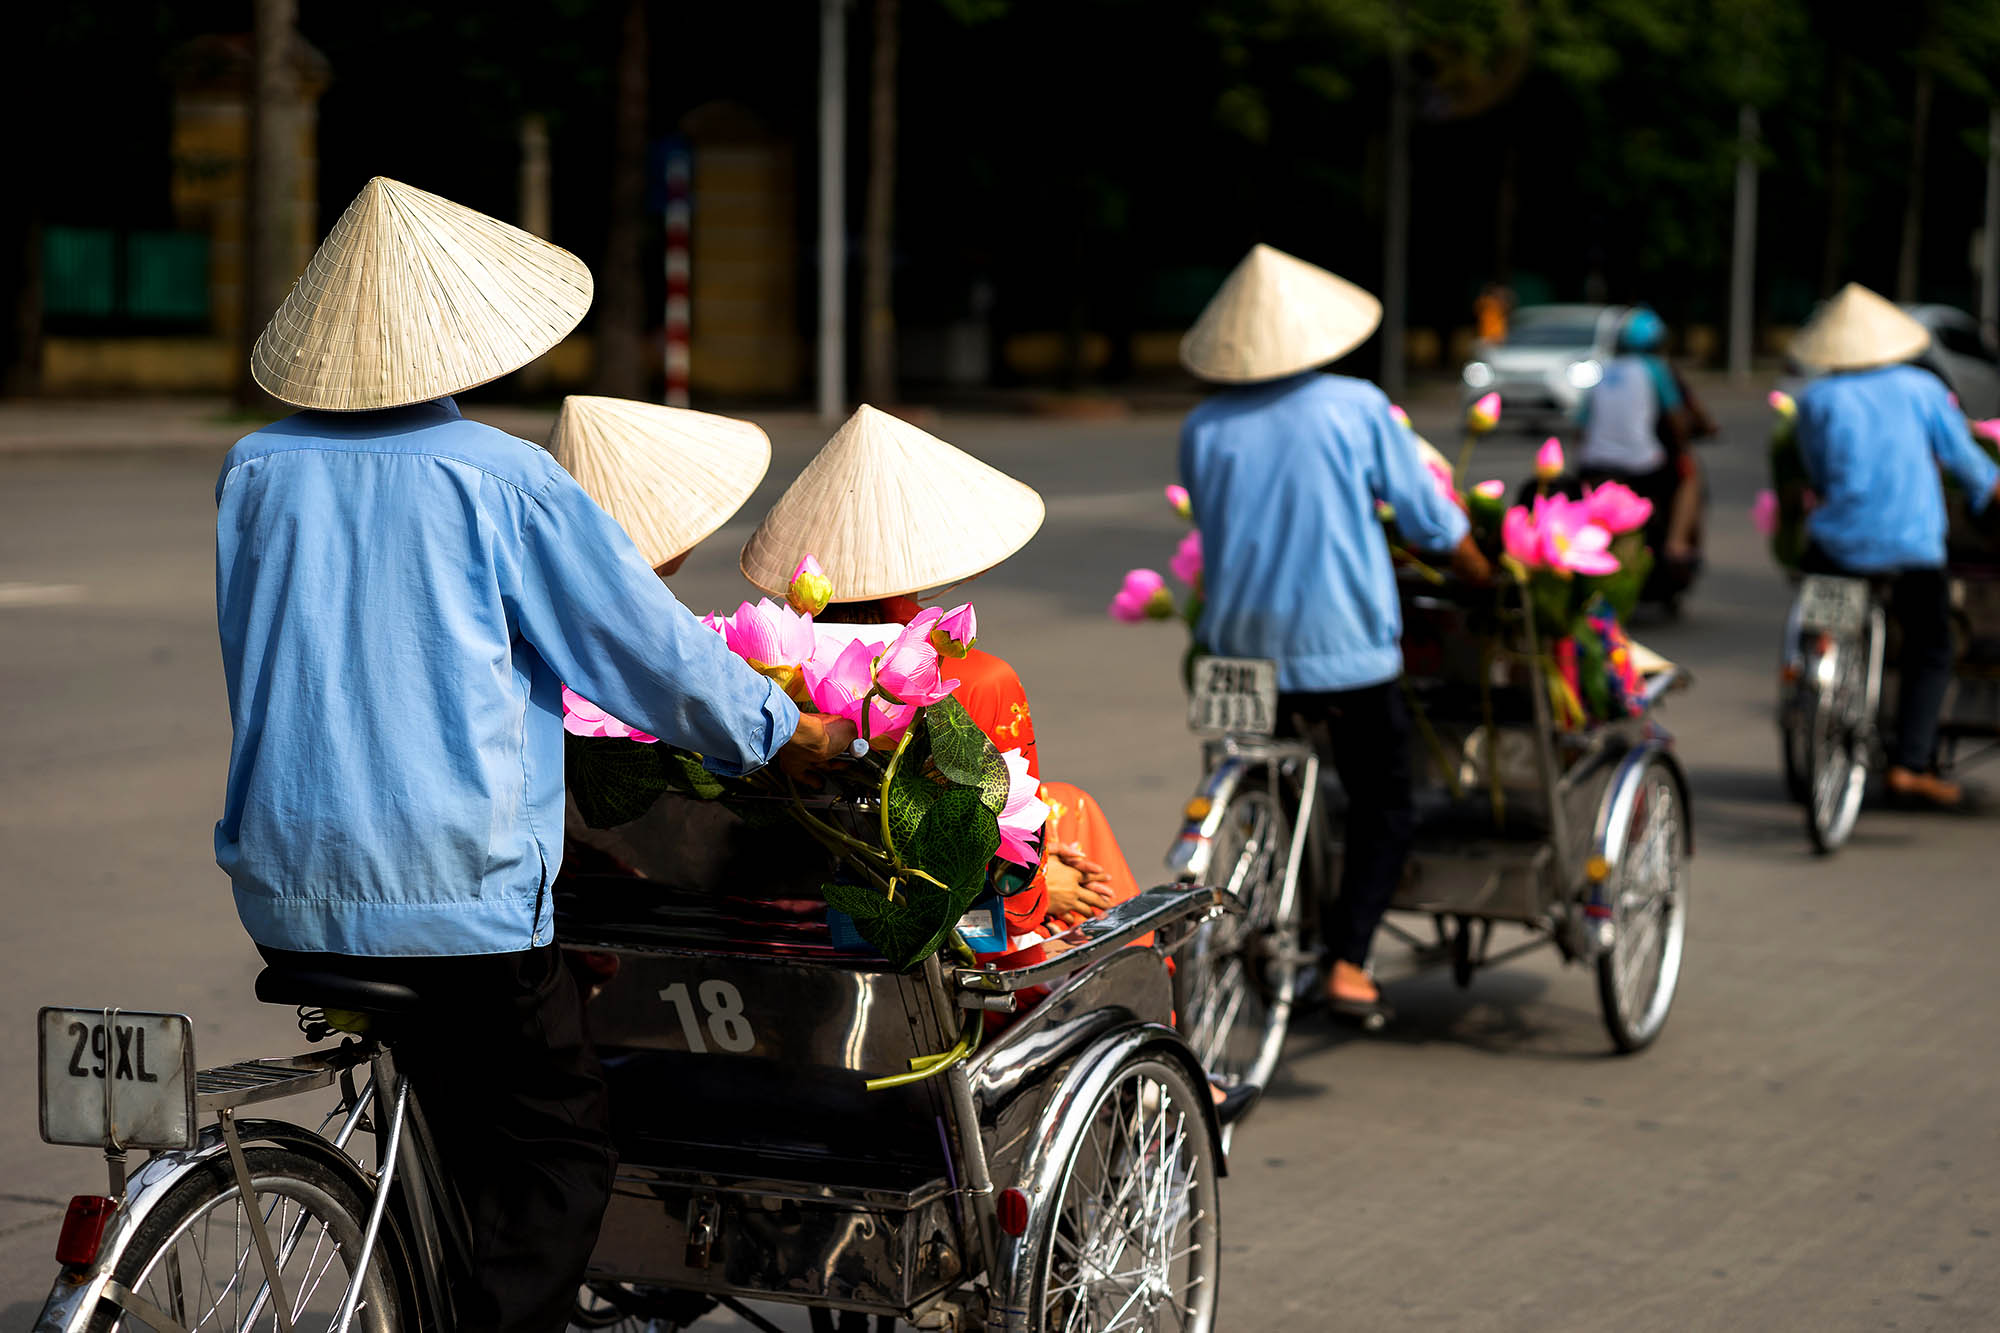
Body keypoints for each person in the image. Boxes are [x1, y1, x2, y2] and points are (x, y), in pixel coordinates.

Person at [214, 178, 854, 1333]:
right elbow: (647, 655)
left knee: (463, 1105)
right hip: (456, 902)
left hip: (282, 883)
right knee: (557, 1150)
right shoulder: (501, 479)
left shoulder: (256, 469)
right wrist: (780, 733)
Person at [1177, 243, 1491, 1025]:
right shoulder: (1356, 407)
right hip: (1341, 650)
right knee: (1385, 798)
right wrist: (1480, 571)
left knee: (1263, 780)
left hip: (1235, 652)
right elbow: (1426, 519)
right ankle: (1349, 961)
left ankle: (1258, 880)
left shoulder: (1204, 424)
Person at [739, 404, 1122, 950]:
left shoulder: (749, 667)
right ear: (915, 565)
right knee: (1080, 836)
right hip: (931, 936)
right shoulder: (972, 680)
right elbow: (1009, 894)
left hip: (771, 903)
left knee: (1069, 803)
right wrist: (1044, 891)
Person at [1790, 282, 2000, 808]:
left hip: (1835, 548)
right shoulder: (1921, 390)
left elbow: (1813, 471)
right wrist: (1986, 495)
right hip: (1911, 551)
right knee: (1932, 645)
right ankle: (1910, 764)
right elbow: (1970, 466)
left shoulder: (1814, 398)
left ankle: (1814, 672)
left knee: (1819, 623)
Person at [1575, 307, 1711, 605]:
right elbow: (1677, 420)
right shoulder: (1655, 369)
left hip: (1592, 464)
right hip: (1641, 465)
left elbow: (1581, 427)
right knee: (1689, 474)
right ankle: (1676, 544)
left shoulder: (1603, 370)